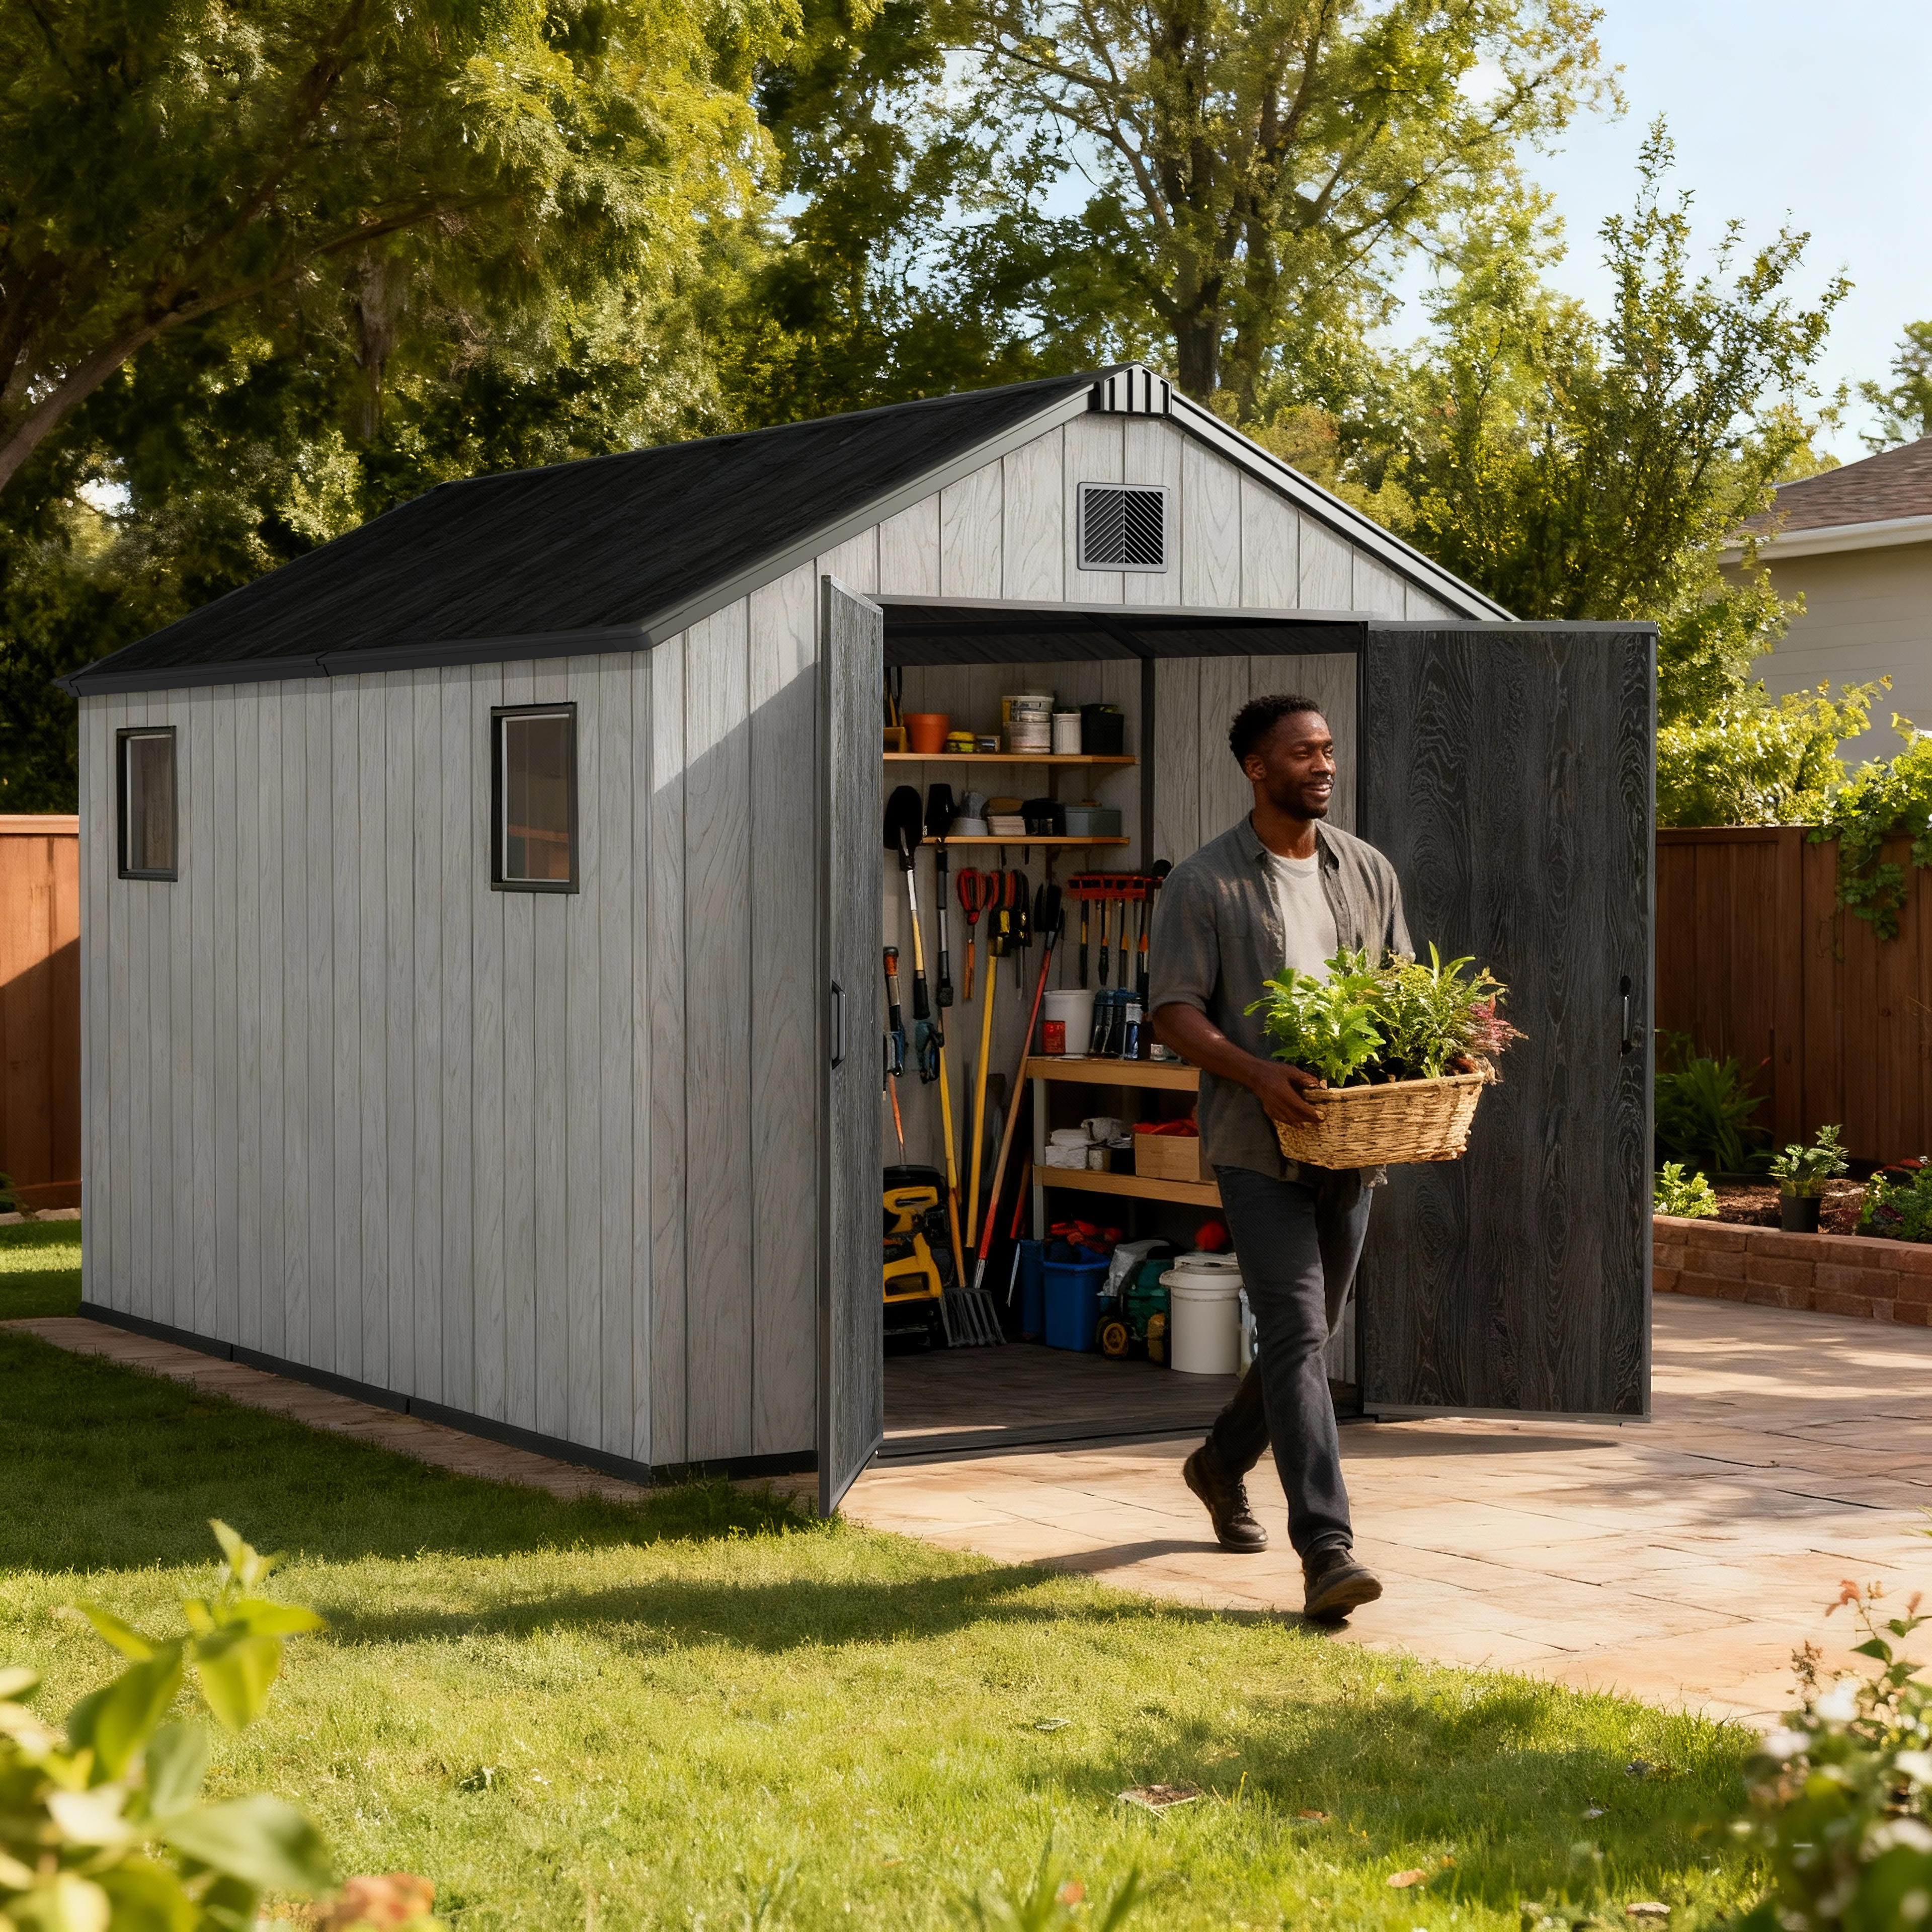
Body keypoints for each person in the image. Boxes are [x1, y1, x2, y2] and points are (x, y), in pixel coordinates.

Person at [1146, 693, 1410, 1624]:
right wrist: (1258, 1074)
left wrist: (1444, 1048)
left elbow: (1403, 992)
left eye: (1328, 751)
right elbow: (1173, 1009)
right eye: (1303, 754)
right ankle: (1326, 1550)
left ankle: (1220, 1463)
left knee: (1309, 1334)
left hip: (1350, 1140)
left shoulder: (1368, 871)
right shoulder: (1206, 882)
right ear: (1257, 768)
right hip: (1258, 1141)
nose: (1323, 766)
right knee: (1296, 1332)